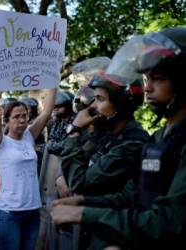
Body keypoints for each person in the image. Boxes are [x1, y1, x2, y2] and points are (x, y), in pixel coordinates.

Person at [51, 27, 186, 250]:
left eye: (159, 79)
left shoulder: (138, 141)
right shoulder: (159, 138)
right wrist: (85, 203)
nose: (149, 87)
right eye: (147, 78)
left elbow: (168, 221)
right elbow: (132, 197)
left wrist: (85, 213)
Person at [0, 69, 57, 249]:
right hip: (8, 213)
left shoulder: (29, 136)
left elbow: (47, 111)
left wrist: (53, 78)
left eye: (24, 116)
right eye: (16, 117)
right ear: (7, 121)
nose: (21, 120)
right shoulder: (0, 142)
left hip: (32, 211)